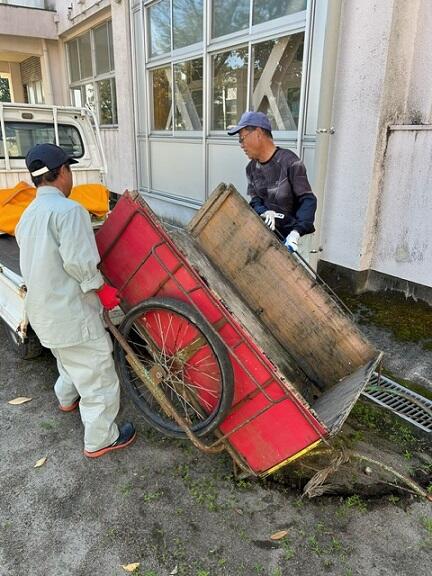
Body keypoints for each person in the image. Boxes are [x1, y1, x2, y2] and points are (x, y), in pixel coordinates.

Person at [15, 143, 136, 458]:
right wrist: (101, 289)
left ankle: (66, 398)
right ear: (62, 172)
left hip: (42, 313)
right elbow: (79, 262)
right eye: (70, 169)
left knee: (68, 359)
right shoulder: (70, 211)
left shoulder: (27, 216)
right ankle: (101, 439)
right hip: (71, 313)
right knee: (98, 374)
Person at [228, 111, 317, 252]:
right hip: (270, 239)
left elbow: (308, 200)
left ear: (258, 133)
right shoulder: (251, 168)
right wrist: (264, 212)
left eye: (242, 138)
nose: (241, 145)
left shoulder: (290, 162)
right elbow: (255, 201)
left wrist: (296, 233)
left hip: (296, 240)